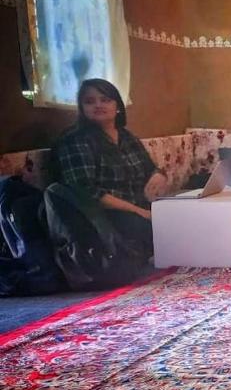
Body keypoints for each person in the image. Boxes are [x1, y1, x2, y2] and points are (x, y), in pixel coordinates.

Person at [53, 78, 166, 256]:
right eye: (89, 101)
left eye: (105, 99)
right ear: (82, 108)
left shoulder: (127, 137)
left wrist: (158, 175)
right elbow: (85, 192)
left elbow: (150, 168)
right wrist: (141, 212)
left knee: (186, 216)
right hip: (104, 217)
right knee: (162, 232)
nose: (98, 105)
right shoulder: (75, 140)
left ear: (117, 106)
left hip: (141, 208)